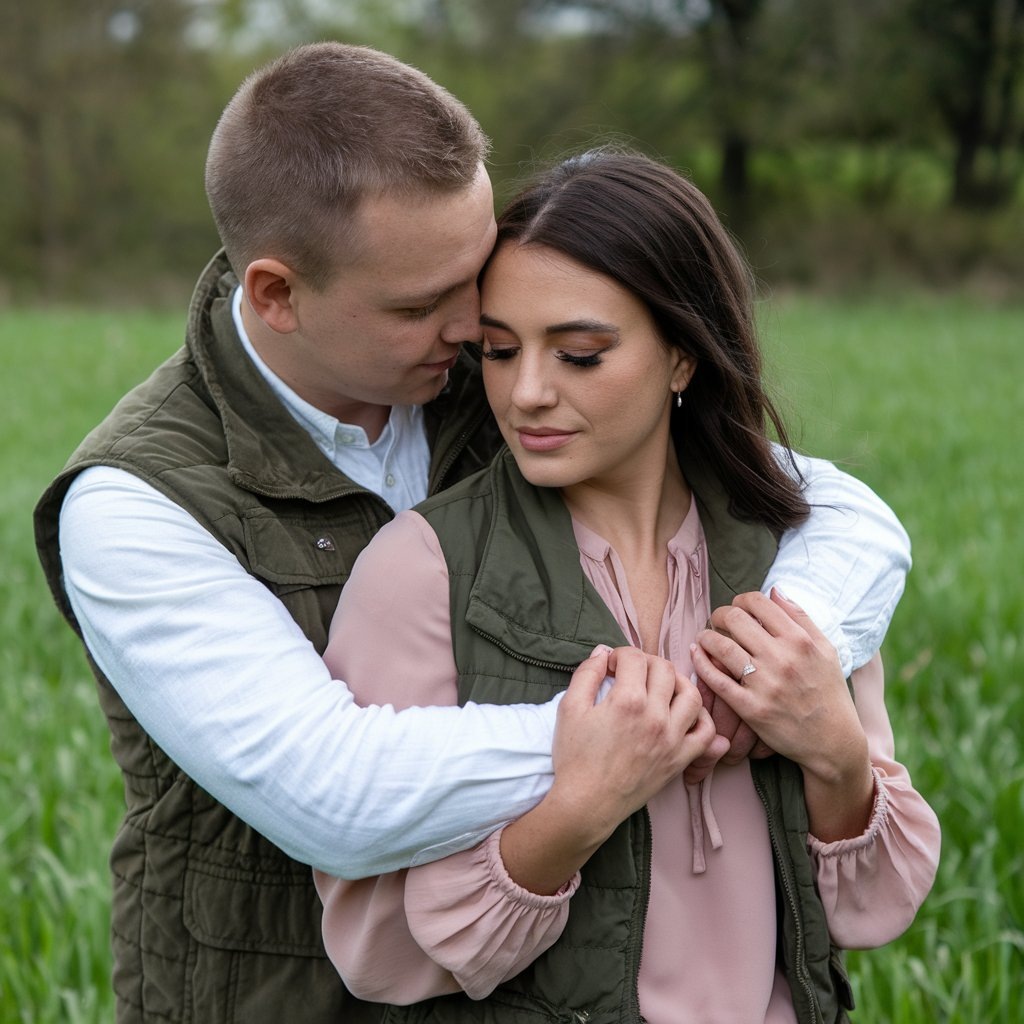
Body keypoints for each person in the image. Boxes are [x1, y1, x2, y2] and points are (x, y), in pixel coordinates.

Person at [33, 43, 912, 1024]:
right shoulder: (135, 502)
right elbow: (336, 792)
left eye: (476, 275)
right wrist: (644, 725)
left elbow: (834, 508)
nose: (474, 327)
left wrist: (786, 659)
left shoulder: (495, 372)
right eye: (421, 303)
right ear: (278, 294)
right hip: (273, 999)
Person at [313, 149, 941, 1023]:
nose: (527, 392)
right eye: (498, 351)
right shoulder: (420, 574)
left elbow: (869, 908)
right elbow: (380, 952)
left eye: (578, 355)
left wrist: (835, 751)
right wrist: (583, 804)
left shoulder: (792, 561)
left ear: (682, 357)